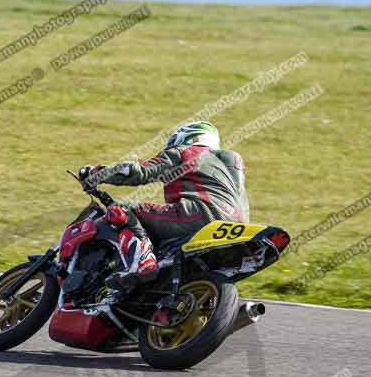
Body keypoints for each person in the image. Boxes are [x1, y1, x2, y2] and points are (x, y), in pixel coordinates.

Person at [79, 121, 249, 294]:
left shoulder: (184, 152)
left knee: (123, 210)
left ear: (187, 136)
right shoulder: (229, 164)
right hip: (238, 227)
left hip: (197, 215)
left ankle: (142, 262)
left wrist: (98, 173)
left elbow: (139, 172)